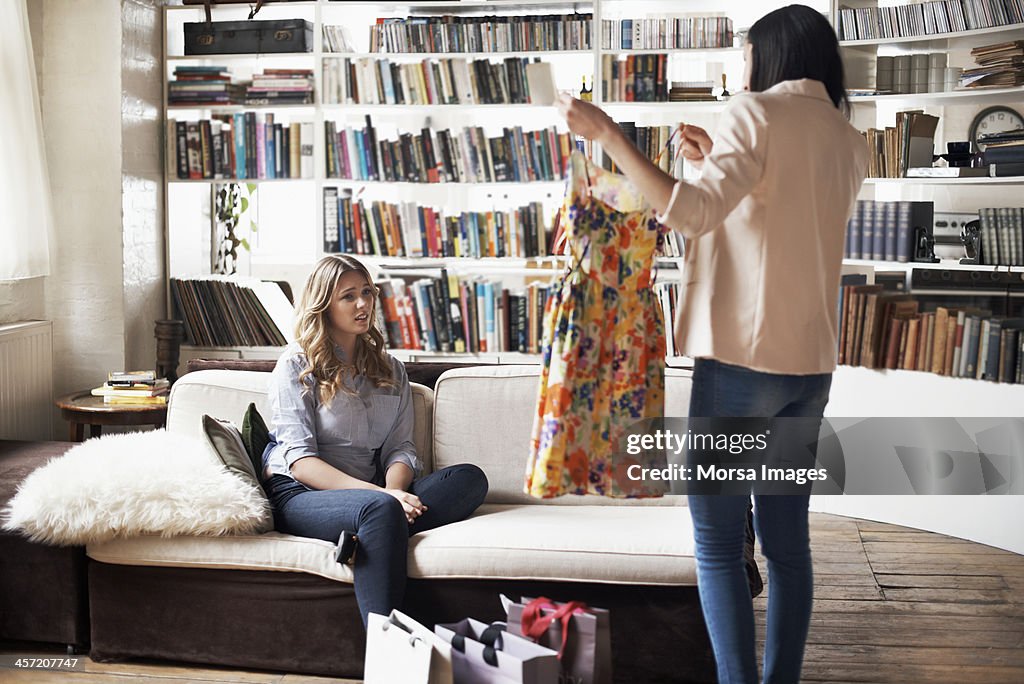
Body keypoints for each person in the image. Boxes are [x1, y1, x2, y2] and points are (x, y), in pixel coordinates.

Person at [556, 5, 868, 683]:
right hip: (809, 367)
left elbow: (692, 218)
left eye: (748, 55)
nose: (743, 68)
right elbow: (761, 222)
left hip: (739, 367)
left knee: (720, 545)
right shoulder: (848, 137)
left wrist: (607, 133)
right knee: (787, 549)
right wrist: (705, 164)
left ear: (773, 55)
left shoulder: (752, 114)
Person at [262, 254, 489, 626]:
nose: (363, 303)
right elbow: (302, 462)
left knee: (469, 479)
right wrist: (383, 498)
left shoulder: (390, 369)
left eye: (367, 292)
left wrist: (394, 490)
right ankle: (387, 650)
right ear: (324, 305)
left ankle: (370, 534)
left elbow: (401, 449)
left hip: (371, 496)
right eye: (348, 296)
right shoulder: (296, 366)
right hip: (304, 495)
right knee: (380, 512)